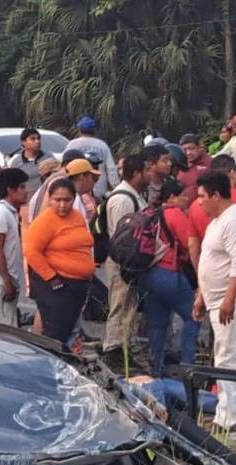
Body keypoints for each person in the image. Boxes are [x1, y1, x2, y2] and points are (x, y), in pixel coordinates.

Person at [193, 171, 236, 431]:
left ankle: (231, 420)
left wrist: (229, 299)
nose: (198, 202)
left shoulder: (234, 221)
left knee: (230, 357)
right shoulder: (216, 222)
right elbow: (210, 261)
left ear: (216, 195)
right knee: (224, 355)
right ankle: (228, 413)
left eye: (202, 197)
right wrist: (201, 296)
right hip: (219, 298)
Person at [137, 177, 200, 377]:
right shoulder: (174, 214)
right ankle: (188, 366)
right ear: (173, 197)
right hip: (168, 273)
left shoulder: (150, 212)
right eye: (183, 197)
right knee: (193, 316)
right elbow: (188, 243)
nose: (186, 201)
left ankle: (156, 368)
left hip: (147, 274)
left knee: (158, 323)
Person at [23, 178, 95, 345]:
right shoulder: (45, 221)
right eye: (57, 200)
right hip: (56, 284)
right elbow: (31, 251)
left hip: (77, 284)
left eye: (67, 200)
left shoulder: (77, 217)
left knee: (70, 331)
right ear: (50, 199)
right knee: (55, 334)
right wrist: (52, 277)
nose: (62, 205)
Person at [100, 154, 149, 371]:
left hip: (129, 263)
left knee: (128, 306)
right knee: (120, 305)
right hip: (122, 262)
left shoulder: (134, 195)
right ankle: (113, 350)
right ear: (137, 173)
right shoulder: (122, 199)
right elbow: (123, 236)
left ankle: (123, 348)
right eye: (146, 171)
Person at [0, 168, 29, 327]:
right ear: (10, 190)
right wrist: (6, 281)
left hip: (5, 279)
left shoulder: (11, 213)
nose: (26, 191)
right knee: (2, 331)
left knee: (9, 327)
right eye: (22, 187)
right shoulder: (1, 213)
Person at [66, 116, 119, 199]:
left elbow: (65, 167)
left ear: (79, 130)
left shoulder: (72, 145)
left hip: (77, 190)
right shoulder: (102, 145)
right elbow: (111, 169)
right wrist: (116, 187)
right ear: (94, 130)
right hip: (100, 190)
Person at [8, 128, 56, 196]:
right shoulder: (16, 162)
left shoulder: (49, 157)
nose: (37, 141)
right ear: (23, 142)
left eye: (38, 138)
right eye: (32, 139)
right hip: (26, 201)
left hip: (46, 198)